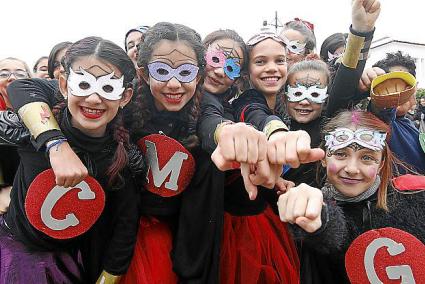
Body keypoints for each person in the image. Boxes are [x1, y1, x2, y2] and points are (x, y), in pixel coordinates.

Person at [1, 36, 144, 284]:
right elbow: (19, 88)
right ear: (65, 85)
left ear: (125, 96)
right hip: (11, 255)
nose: (93, 99)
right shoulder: (32, 128)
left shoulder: (122, 157)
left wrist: (107, 279)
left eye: (108, 88)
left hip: (71, 265)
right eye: (84, 85)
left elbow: (125, 228)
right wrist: (55, 143)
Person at [278, 110, 425, 283]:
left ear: (381, 164)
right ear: (324, 157)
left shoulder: (414, 195)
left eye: (367, 157)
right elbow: (333, 232)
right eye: (341, 154)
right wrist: (316, 217)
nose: (352, 168)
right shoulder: (313, 207)